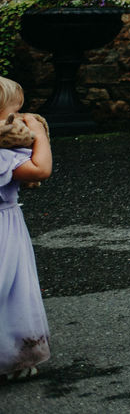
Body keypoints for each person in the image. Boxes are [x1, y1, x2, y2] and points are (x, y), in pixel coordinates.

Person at [0, 78, 49, 381]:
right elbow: (40, 169)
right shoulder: (2, 153)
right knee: (11, 290)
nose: (20, 121)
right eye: (13, 115)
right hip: (4, 231)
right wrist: (40, 134)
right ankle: (15, 356)